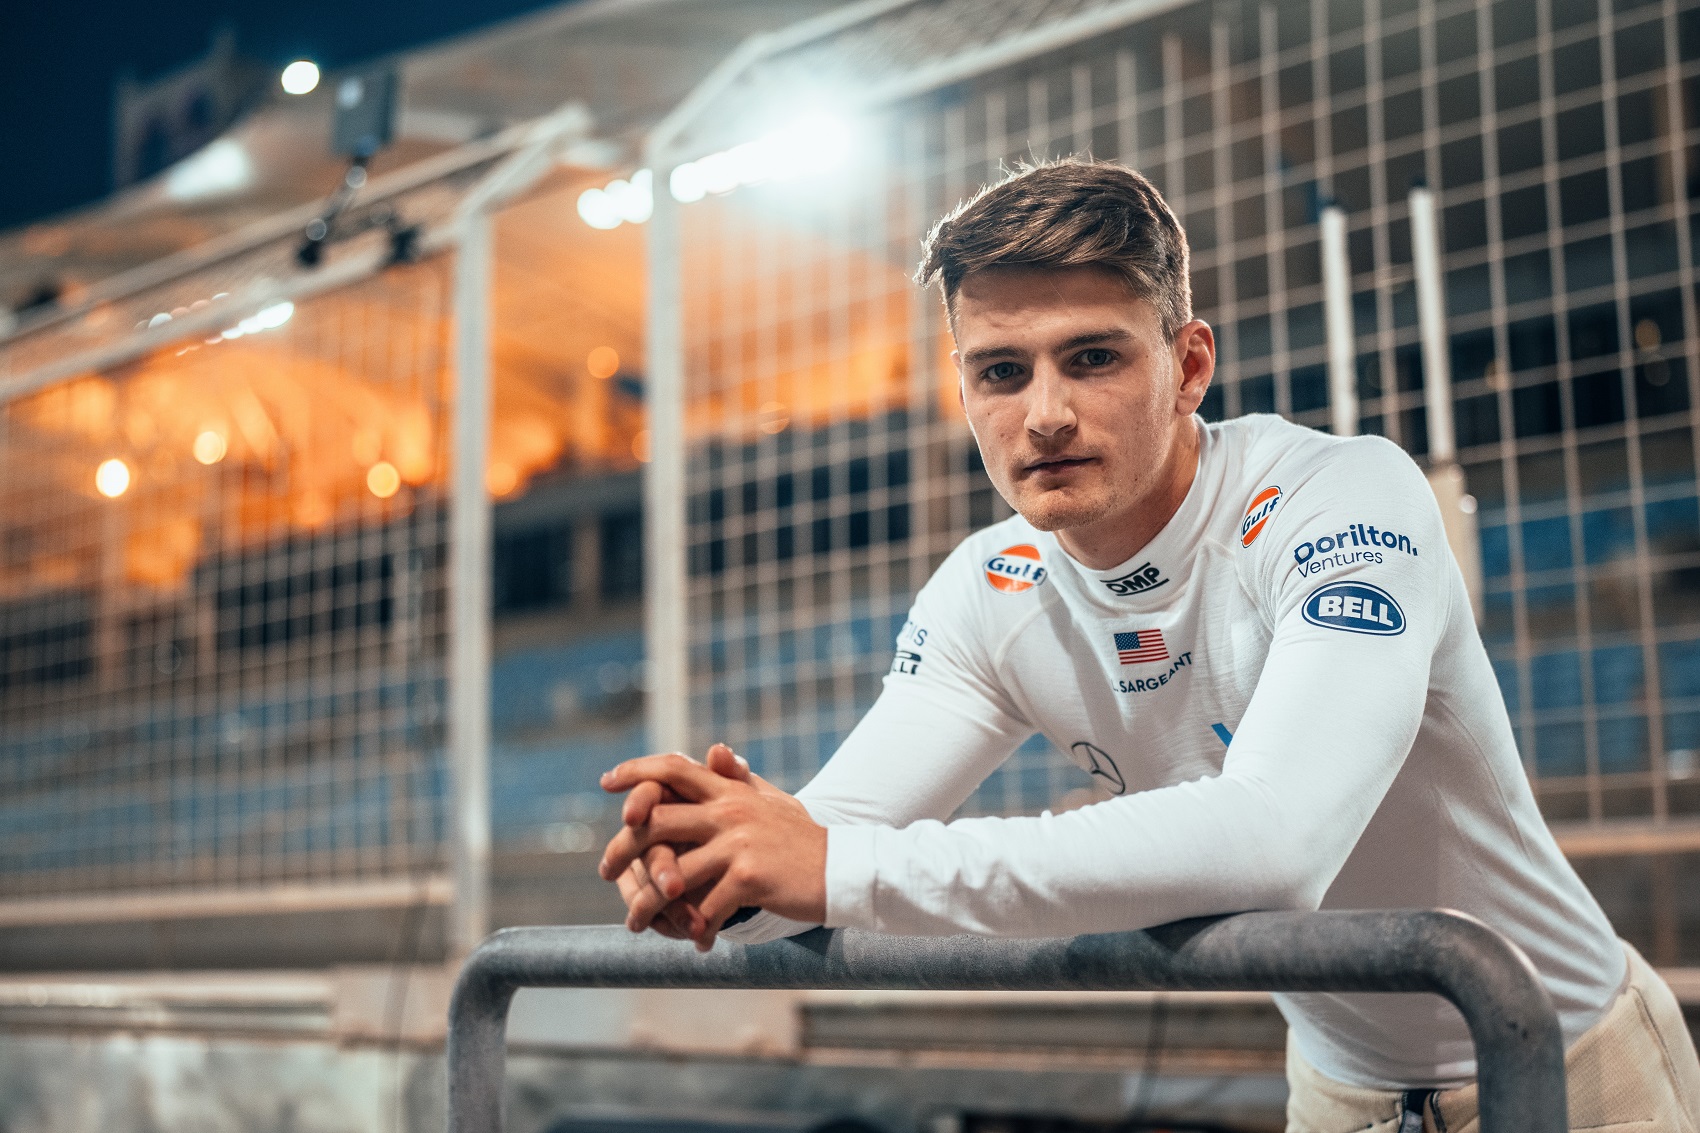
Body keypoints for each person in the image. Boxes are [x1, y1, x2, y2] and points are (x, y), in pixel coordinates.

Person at [595, 159, 1700, 1130]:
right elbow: (829, 835)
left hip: (1560, 1061)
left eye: (1091, 358)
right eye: (999, 371)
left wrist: (834, 866)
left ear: (1188, 365)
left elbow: (1276, 840)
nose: (1043, 414)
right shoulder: (987, 587)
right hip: (1340, 1088)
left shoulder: (1339, 496)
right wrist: (717, 864)